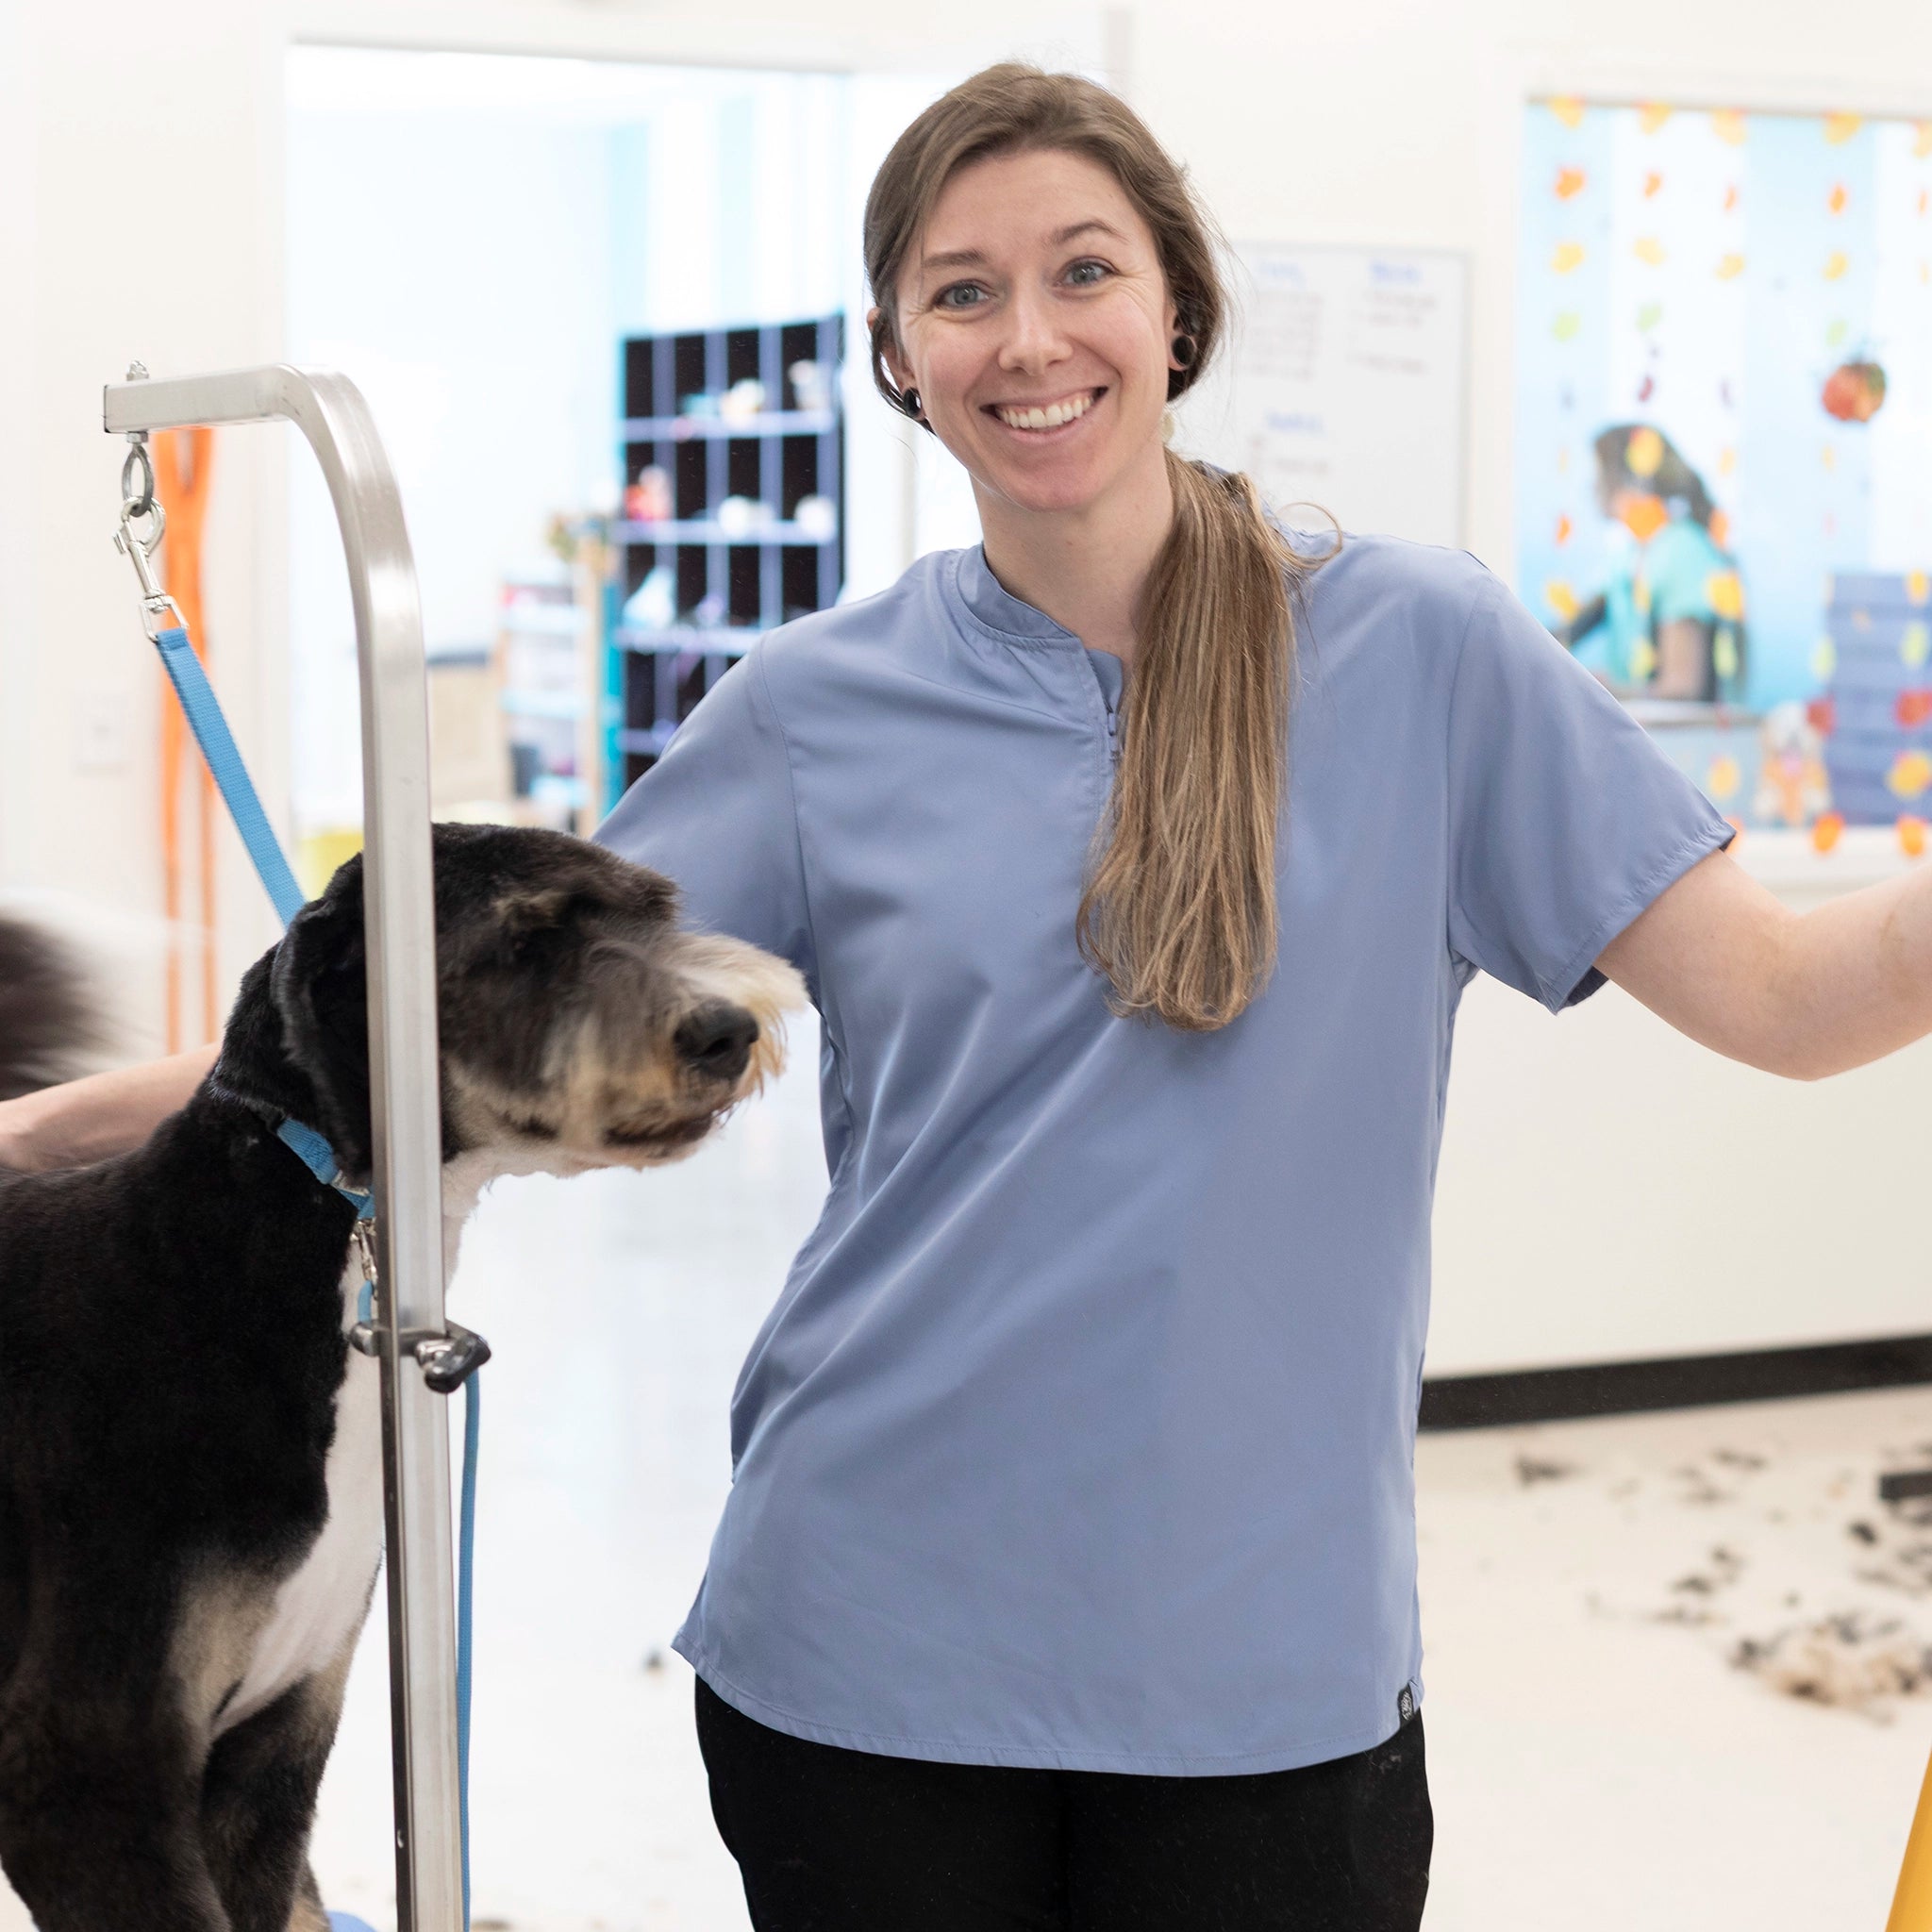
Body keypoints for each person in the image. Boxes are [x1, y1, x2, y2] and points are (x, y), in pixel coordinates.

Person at [8, 64, 1932, 1932]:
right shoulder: (812, 708)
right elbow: (420, 1035)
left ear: (1175, 305)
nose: (1029, 337)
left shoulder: (1424, 652)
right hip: (865, 1663)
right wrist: (33, 1135)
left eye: (1083, 269)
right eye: (960, 291)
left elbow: (1790, 995)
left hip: (1261, 1685)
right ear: (897, 356)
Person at [1554, 423, 1747, 704]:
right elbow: (1568, 631)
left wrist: (1600, 690)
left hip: (1681, 732)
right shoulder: (1629, 557)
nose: (1592, 487)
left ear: (1627, 480)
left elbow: (1682, 686)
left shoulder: (1681, 550)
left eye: (1599, 474)